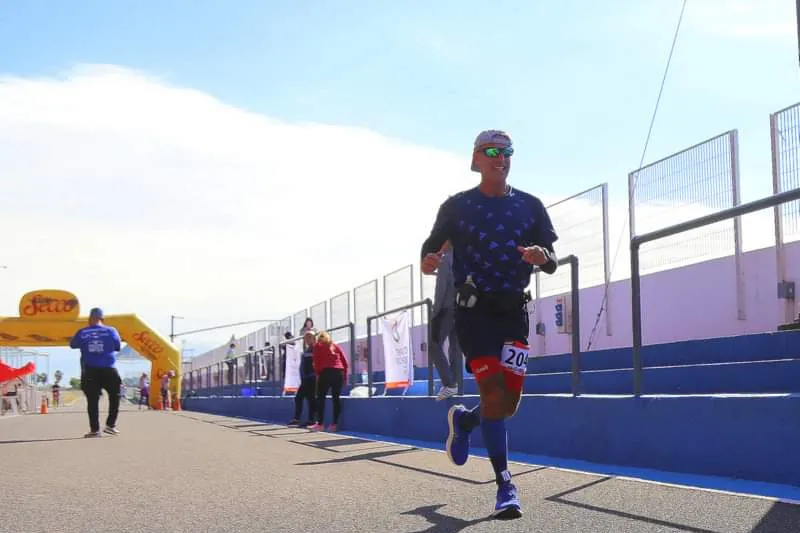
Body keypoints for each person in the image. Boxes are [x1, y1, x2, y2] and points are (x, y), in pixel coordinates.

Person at [420, 130, 558, 520]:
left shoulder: (530, 206)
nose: (501, 157)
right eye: (492, 151)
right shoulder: (458, 206)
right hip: (474, 309)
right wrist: (428, 260)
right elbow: (431, 245)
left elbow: (552, 259)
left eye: (507, 151)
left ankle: (463, 420)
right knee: (492, 391)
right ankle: (505, 484)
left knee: (507, 402)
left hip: (514, 310)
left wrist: (540, 256)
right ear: (476, 158)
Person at [69, 307, 124, 437]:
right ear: (102, 319)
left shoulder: (82, 332)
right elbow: (117, 347)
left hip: (90, 370)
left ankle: (95, 430)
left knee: (92, 401)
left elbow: (72, 344)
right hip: (109, 368)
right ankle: (110, 425)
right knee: (115, 396)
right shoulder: (111, 331)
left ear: (89, 319)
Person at [429, 240, 462, 400]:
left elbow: (441, 287)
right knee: (455, 348)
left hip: (446, 308)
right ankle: (455, 384)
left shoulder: (445, 259)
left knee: (433, 345)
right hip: (461, 309)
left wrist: (435, 312)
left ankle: (449, 384)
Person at [310, 330, 349, 432]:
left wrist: (318, 374)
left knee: (321, 398)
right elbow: (345, 362)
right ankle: (334, 425)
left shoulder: (318, 346)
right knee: (336, 398)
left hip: (326, 372)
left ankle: (320, 424)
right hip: (339, 372)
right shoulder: (335, 346)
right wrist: (345, 377)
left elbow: (316, 362)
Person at [289, 330, 317, 427]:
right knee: (303, 398)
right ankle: (307, 419)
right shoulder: (307, 350)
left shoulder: (316, 348)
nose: (307, 340)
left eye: (309, 337)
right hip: (306, 378)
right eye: (305, 338)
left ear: (314, 338)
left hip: (313, 377)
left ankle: (308, 420)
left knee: (307, 398)